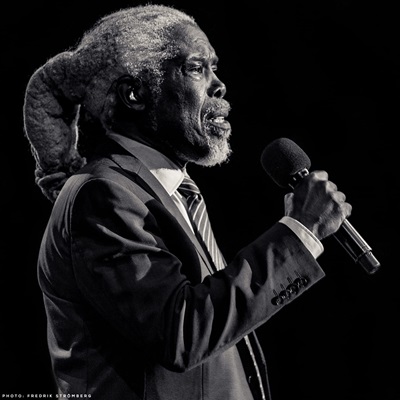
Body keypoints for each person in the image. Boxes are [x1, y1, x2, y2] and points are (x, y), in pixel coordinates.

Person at [22, 4, 352, 400]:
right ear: (135, 94)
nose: (219, 85)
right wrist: (299, 234)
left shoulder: (164, 192)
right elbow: (180, 332)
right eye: (197, 68)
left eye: (215, 68)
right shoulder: (101, 195)